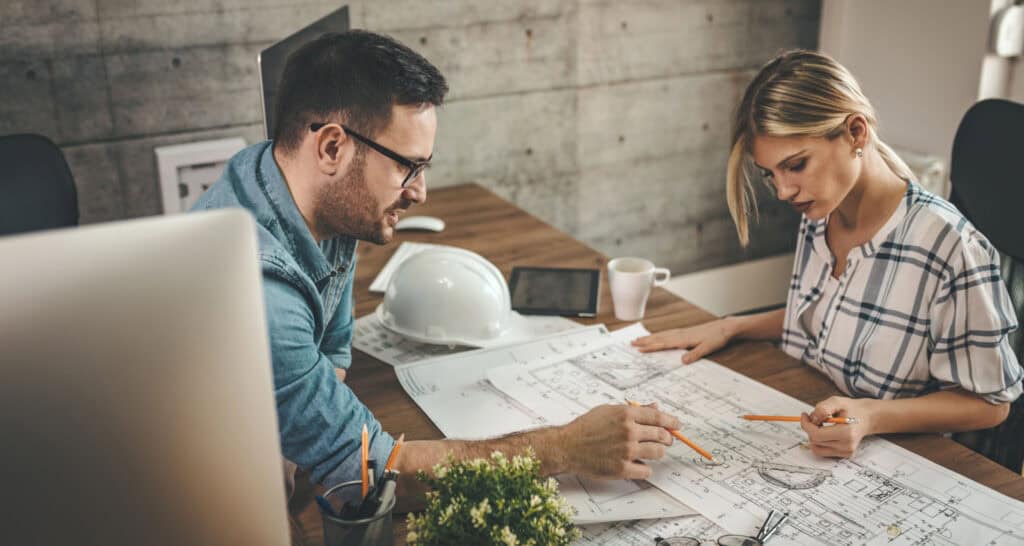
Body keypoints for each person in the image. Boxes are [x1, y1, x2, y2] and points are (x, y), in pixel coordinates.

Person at [193, 30, 681, 504]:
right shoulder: (263, 297)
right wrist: (565, 448)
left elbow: (334, 350)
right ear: (332, 147)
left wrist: (309, 425)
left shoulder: (300, 183)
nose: (419, 191)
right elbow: (373, 475)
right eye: (408, 166)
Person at [633, 50, 1022, 459]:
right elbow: (834, 314)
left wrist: (872, 416)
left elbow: (991, 405)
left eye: (796, 165)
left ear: (856, 132)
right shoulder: (822, 209)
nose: (783, 191)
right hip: (813, 427)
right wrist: (734, 326)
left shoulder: (950, 248)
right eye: (771, 175)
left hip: (903, 459)